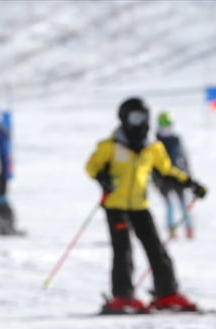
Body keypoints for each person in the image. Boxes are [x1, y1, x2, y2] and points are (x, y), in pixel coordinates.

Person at [84, 96, 208, 313]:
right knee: (123, 251)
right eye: (134, 117)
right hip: (116, 206)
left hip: (140, 205)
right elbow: (92, 166)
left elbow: (167, 170)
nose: (139, 122)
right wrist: (103, 179)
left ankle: (167, 293)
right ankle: (122, 296)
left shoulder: (152, 148)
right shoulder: (110, 146)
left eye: (143, 117)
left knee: (156, 249)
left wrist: (190, 183)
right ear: (124, 118)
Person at [152, 111, 194, 239]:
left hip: (178, 176)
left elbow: (183, 157)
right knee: (169, 205)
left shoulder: (176, 140)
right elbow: (151, 163)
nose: (166, 128)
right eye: (163, 124)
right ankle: (172, 229)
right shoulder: (155, 142)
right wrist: (155, 178)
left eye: (168, 124)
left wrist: (187, 174)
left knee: (183, 204)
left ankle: (189, 228)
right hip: (163, 178)